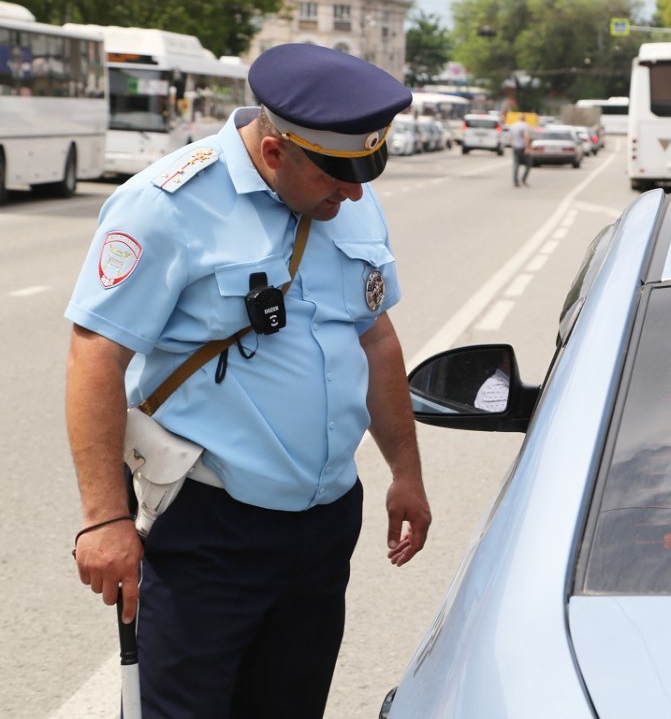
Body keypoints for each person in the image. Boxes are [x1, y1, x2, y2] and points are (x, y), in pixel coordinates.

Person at [65, 43, 433, 718]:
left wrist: (404, 472)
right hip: (213, 529)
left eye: (362, 173)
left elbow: (375, 337)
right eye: (337, 177)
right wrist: (105, 519)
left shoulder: (350, 196)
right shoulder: (166, 204)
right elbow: (96, 354)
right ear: (274, 154)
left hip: (324, 526)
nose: (354, 193)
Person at [508, 115, 532, 186]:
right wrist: (527, 147)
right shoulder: (525, 126)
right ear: (524, 119)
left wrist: (512, 144)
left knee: (516, 164)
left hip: (515, 147)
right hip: (522, 147)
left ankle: (515, 181)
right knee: (529, 164)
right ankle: (524, 179)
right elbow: (526, 136)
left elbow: (511, 137)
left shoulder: (513, 126)